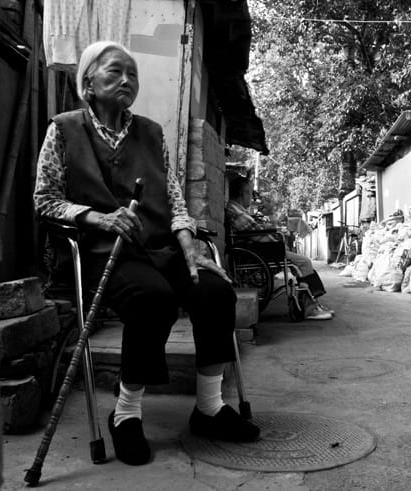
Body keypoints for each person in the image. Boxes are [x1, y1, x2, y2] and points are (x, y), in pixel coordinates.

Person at [34, 41, 259, 466]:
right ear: (88, 82)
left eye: (132, 74)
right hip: (105, 251)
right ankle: (126, 414)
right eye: (115, 71)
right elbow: (44, 200)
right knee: (152, 300)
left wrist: (189, 242)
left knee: (214, 291)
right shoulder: (63, 130)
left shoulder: (152, 134)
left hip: (161, 244)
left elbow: (174, 199)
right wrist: (95, 217)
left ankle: (209, 408)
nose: (126, 80)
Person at [226, 176, 334, 320]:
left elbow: (255, 231)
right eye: (250, 193)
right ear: (242, 193)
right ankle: (310, 307)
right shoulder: (238, 213)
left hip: (258, 248)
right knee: (304, 262)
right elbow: (259, 236)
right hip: (262, 250)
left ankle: (313, 303)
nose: (251, 197)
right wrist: (278, 238)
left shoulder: (235, 209)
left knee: (301, 264)